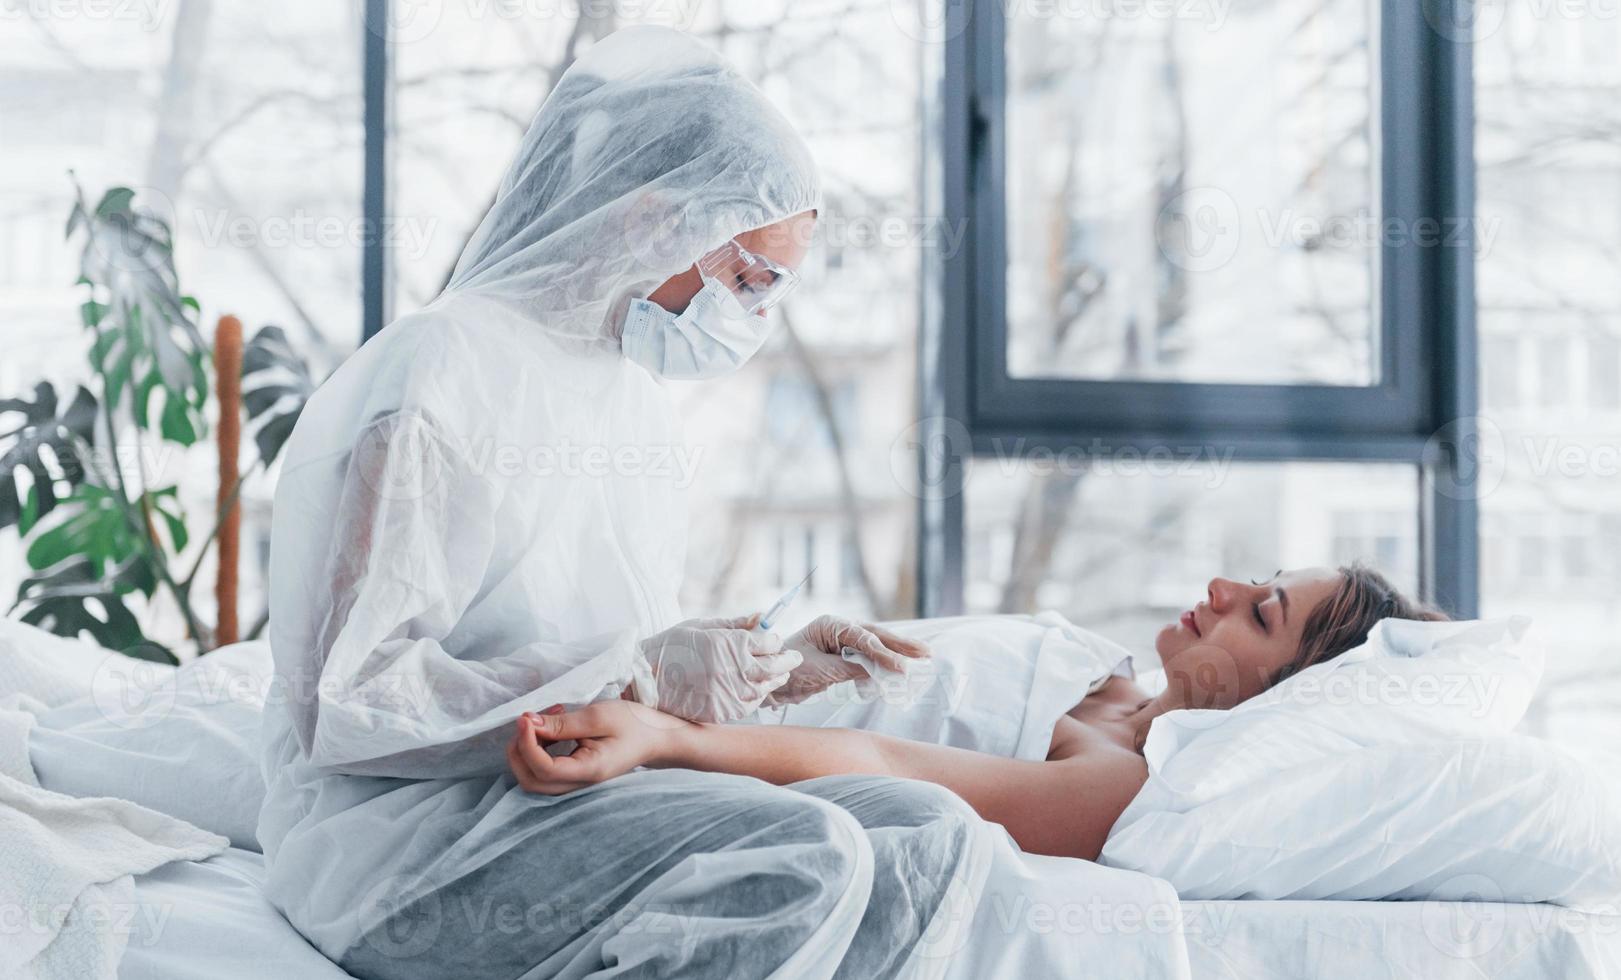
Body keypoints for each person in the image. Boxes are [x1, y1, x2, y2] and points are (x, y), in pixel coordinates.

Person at [259, 26, 984, 980]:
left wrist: (759, 672)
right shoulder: (443, 369)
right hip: (401, 838)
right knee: (810, 857)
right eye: (747, 279)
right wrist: (637, 677)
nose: (755, 318)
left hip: (574, 792)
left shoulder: (628, 396)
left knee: (928, 832)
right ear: (654, 221)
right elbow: (354, 704)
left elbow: (592, 657)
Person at [509, 565, 1450, 861]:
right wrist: (776, 656)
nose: (1224, 583)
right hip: (627, 688)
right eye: (1260, 577)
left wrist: (673, 735)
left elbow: (892, 768)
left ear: (1281, 695)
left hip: (639, 757)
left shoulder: (1119, 784)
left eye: (1261, 612)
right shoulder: (1099, 667)